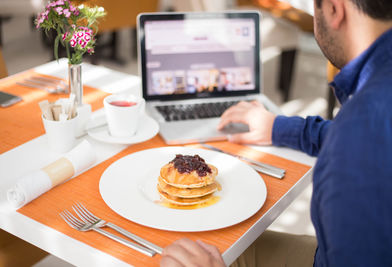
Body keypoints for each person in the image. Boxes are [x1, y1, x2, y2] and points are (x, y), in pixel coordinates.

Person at [160, 0, 392, 266]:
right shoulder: (367, 124)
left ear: (333, 9)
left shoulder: (357, 140)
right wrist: (279, 127)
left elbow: (360, 144)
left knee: (196, 252)